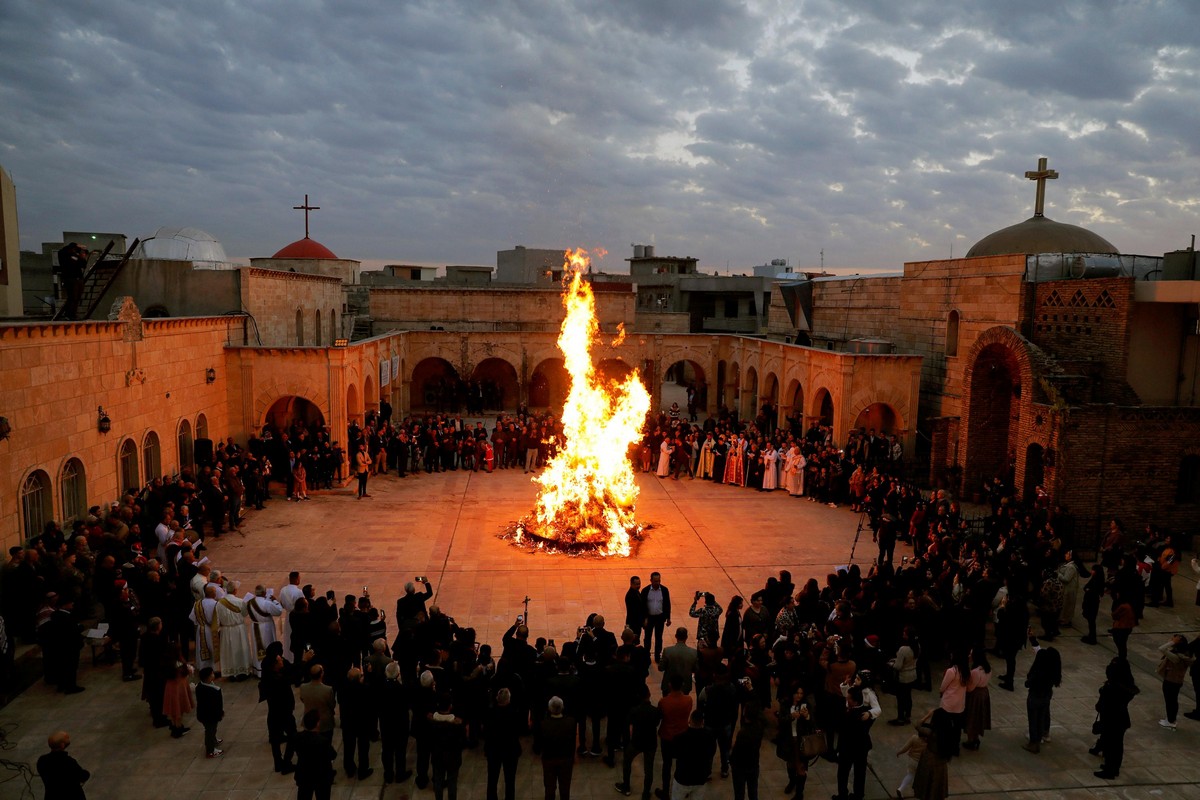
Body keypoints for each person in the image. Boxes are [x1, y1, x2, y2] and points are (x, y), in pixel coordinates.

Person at [1090, 657, 1138, 779]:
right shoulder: (1126, 685)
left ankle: (1111, 770)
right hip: (1119, 718)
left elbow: (1108, 702)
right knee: (1115, 745)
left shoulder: (1115, 687)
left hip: (1113, 720)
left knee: (1113, 746)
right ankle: (1112, 767)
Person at [615, 684, 661, 799]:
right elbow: (656, 724)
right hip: (651, 742)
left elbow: (628, 725)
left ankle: (626, 786)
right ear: (649, 695)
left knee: (627, 761)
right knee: (648, 769)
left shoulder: (634, 710)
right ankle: (646, 793)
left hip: (637, 741)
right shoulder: (655, 711)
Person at [1021, 634, 1061, 754]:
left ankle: (1034, 743)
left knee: (1033, 719)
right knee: (1041, 718)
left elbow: (1028, 683)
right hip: (1046, 696)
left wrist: (1028, 681)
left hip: (1035, 696)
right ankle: (1042, 736)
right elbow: (1039, 651)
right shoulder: (1053, 669)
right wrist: (1034, 641)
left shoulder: (1039, 672)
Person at [833, 686, 874, 800]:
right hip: (862, 747)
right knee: (860, 773)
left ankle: (842, 795)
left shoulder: (849, 715)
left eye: (849, 698)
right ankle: (858, 795)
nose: (847, 699)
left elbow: (840, 726)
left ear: (855, 701)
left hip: (848, 748)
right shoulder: (867, 713)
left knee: (843, 773)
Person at [485, 687, 522, 800]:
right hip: (510, 751)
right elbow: (517, 732)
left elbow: (486, 731)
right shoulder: (514, 714)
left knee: (492, 780)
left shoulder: (490, 713)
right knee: (510, 781)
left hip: (493, 750)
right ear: (508, 700)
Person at [912, 707, 957, 800]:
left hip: (928, 760)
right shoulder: (949, 733)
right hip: (941, 764)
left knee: (926, 785)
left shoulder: (931, 733)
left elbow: (917, 725)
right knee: (936, 787)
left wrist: (928, 715)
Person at [671, 710, 717, 799]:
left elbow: (673, 754)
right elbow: (711, 754)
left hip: (682, 777)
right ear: (702, 722)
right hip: (700, 777)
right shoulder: (710, 738)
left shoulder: (680, 738)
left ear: (690, 720)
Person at [293, 708, 337, 800]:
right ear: (317, 723)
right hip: (321, 777)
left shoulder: (297, 737)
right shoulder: (323, 741)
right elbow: (333, 755)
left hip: (304, 775)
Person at [1156, 633, 1195, 730]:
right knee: (1172, 700)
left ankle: (1170, 721)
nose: (1171, 640)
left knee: (1170, 701)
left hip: (1171, 681)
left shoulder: (1177, 657)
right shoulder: (1184, 653)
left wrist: (1172, 642)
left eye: (1173, 639)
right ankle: (1171, 719)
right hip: (1175, 681)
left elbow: (1161, 648)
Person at [540, 695, 576, 800]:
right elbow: (572, 742)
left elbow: (541, 744)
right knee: (565, 787)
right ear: (562, 708)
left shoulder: (544, 724)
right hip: (566, 759)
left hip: (549, 759)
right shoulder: (571, 722)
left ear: (549, 709)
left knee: (549, 787)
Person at [37, 731, 90, 800]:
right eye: (66, 738)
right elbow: (82, 776)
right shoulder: (69, 762)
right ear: (62, 745)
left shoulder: (42, 760)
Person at [962, 648, 991, 750]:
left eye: (971, 654)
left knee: (972, 717)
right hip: (984, 693)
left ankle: (971, 740)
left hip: (975, 695)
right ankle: (976, 738)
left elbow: (970, 688)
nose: (969, 656)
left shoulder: (975, 672)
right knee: (979, 717)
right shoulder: (987, 668)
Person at [641, 572, 672, 663]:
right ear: (651, 580)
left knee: (659, 637)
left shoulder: (664, 590)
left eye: (658, 581)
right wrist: (644, 618)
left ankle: (657, 656)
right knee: (647, 638)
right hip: (649, 619)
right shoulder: (645, 590)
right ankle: (647, 655)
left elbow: (667, 604)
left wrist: (668, 618)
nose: (657, 583)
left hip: (659, 618)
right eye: (655, 581)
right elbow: (642, 606)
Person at [195, 666, 224, 757]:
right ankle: (210, 751)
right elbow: (215, 705)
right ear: (208, 677)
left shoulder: (200, 686)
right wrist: (219, 713)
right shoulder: (211, 691)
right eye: (212, 673)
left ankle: (214, 740)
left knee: (212, 729)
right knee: (210, 731)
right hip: (210, 715)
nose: (213, 675)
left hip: (204, 714)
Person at [659, 627, 698, 696]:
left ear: (676, 636)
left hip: (669, 685)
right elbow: (695, 669)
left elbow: (661, 668)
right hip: (685, 685)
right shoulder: (694, 652)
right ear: (686, 637)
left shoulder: (667, 651)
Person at [624, 575, 645, 640]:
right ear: (631, 584)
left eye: (639, 584)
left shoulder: (636, 592)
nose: (638, 586)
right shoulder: (630, 595)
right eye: (636, 584)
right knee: (634, 640)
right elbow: (633, 612)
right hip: (634, 623)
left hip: (636, 622)